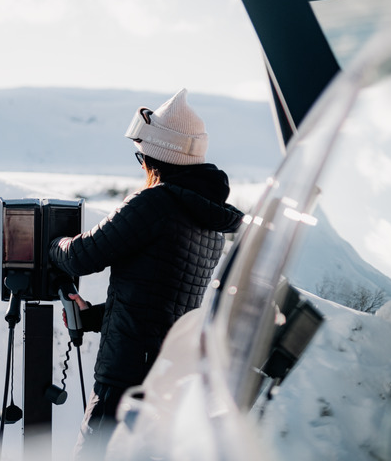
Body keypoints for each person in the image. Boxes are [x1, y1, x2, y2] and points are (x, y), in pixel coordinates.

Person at [48, 88, 244, 460]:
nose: (141, 165)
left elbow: (81, 257)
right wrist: (93, 317)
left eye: (143, 156)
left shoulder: (155, 203)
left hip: (125, 376)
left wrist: (48, 241)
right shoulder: (207, 219)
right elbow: (161, 297)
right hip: (167, 375)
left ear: (160, 158)